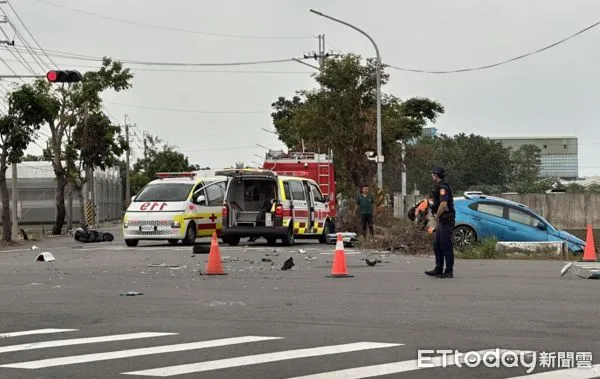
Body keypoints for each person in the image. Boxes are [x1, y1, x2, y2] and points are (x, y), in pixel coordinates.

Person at [425, 166, 455, 278]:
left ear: (436, 175)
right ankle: (438, 268)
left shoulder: (443, 187)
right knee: (437, 245)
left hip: (446, 220)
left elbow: (444, 204)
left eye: (432, 174)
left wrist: (436, 216)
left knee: (446, 245)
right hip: (442, 220)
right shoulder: (438, 187)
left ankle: (448, 271)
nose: (431, 176)